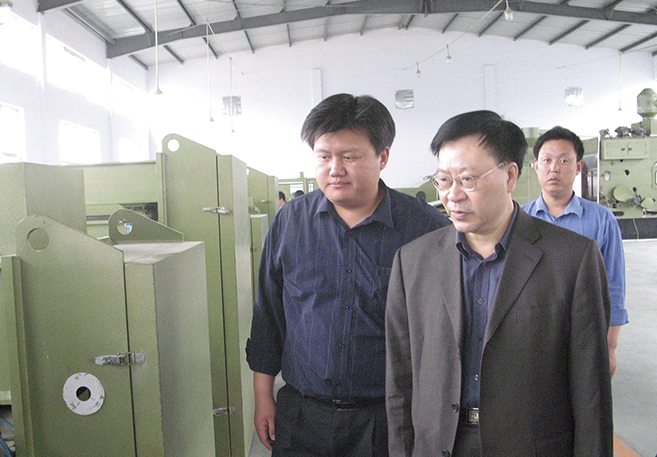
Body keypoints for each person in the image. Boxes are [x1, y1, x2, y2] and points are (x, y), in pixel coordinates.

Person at [386, 111, 613, 457]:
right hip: (439, 444)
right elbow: (401, 382)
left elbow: (591, 391)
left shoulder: (572, 259)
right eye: (443, 180)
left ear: (510, 176)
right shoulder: (413, 261)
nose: (452, 195)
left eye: (468, 180)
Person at [246, 93, 450, 457]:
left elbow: (444, 333)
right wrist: (263, 397)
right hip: (301, 415)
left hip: (386, 419)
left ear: (383, 157)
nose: (334, 169)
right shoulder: (291, 222)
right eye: (324, 156)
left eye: (349, 157)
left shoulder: (425, 229)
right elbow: (269, 316)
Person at [522, 126, 628, 377]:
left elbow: (614, 284)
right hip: (531, 332)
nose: (554, 168)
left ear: (578, 167)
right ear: (536, 166)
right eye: (547, 160)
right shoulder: (520, 220)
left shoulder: (602, 219)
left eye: (564, 161)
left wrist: (610, 347)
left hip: (585, 329)